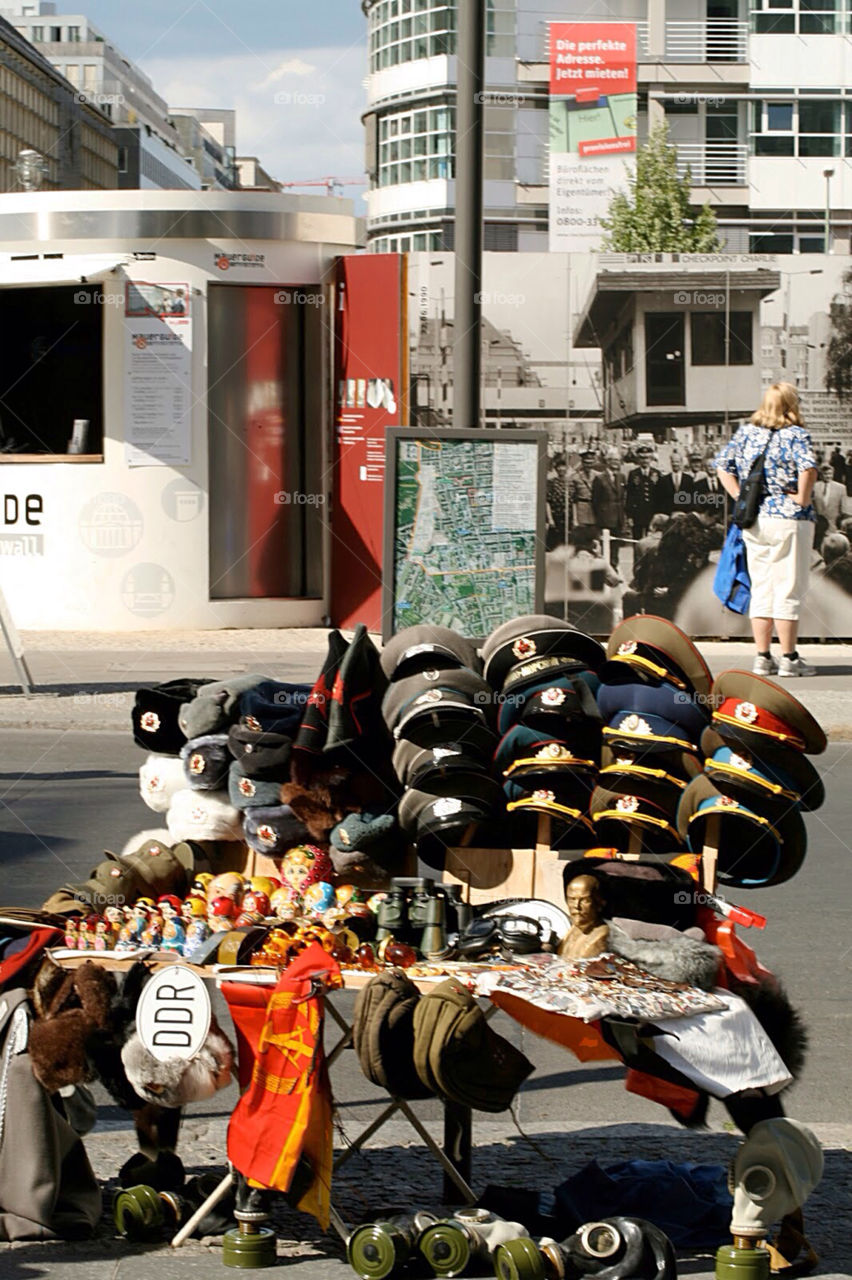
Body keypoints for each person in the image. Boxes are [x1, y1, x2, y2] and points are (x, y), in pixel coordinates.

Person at [715, 382, 818, 678]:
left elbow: (723, 466)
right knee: (787, 588)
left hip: (755, 519)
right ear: (790, 404)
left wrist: (739, 496)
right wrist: (802, 498)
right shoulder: (795, 435)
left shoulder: (747, 433)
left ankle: (762, 658)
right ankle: (789, 659)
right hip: (789, 519)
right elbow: (808, 468)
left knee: (761, 588)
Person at [558, 874, 609, 959]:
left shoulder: (602, 936)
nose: (576, 906)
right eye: (572, 899)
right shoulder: (574, 929)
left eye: (585, 900)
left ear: (599, 903)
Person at [591, 447, 625, 562]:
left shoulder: (622, 477)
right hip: (605, 519)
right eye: (613, 460)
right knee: (605, 548)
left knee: (616, 549)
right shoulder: (599, 479)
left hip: (618, 519)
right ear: (608, 461)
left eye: (618, 460)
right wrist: (600, 516)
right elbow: (595, 501)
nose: (616, 463)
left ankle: (614, 569)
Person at [625, 442, 660, 539]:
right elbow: (630, 495)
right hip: (637, 514)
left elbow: (660, 496)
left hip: (652, 514)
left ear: (651, 459)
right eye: (642, 458)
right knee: (637, 541)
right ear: (638, 459)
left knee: (652, 541)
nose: (645, 461)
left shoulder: (656, 474)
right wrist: (630, 516)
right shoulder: (633, 474)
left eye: (647, 458)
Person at [811, 462, 848, 548]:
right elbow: (811, 504)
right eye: (825, 474)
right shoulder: (815, 486)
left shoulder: (841, 488)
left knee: (832, 547)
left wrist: (841, 522)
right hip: (818, 524)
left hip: (832, 524)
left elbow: (844, 508)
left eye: (830, 474)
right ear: (821, 475)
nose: (828, 476)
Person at [653, 448, 693, 515]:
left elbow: (691, 498)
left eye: (677, 462)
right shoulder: (664, 480)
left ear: (681, 462)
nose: (675, 464)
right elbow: (660, 499)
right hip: (668, 515)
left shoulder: (689, 479)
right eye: (673, 462)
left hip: (685, 514)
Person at [569, 447, 598, 532]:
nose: (588, 465)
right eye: (586, 463)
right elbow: (573, 500)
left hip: (595, 509)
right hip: (581, 509)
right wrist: (575, 519)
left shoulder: (598, 476)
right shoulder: (575, 477)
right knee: (582, 535)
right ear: (582, 463)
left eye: (590, 463)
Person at [546, 454, 569, 550]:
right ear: (556, 469)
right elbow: (547, 501)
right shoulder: (551, 482)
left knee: (567, 543)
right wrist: (550, 518)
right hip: (556, 516)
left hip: (568, 517)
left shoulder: (570, 482)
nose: (561, 469)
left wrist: (575, 519)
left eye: (563, 467)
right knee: (554, 543)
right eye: (559, 467)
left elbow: (574, 501)